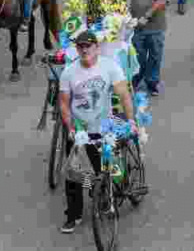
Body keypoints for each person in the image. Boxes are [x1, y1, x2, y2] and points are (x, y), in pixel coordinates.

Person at [58, 30, 136, 234]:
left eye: (88, 46)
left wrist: (131, 121)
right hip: (80, 130)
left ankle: (106, 194)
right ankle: (73, 215)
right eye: (81, 46)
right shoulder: (69, 72)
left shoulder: (110, 67)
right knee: (74, 175)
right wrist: (70, 127)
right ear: (77, 49)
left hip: (103, 127)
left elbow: (124, 95)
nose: (84, 50)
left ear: (97, 47)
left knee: (104, 169)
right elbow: (64, 104)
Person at [121, 0, 168, 96]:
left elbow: (161, 1)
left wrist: (147, 16)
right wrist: (119, 8)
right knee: (137, 56)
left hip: (155, 27)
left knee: (155, 56)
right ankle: (136, 79)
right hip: (136, 27)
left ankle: (152, 83)